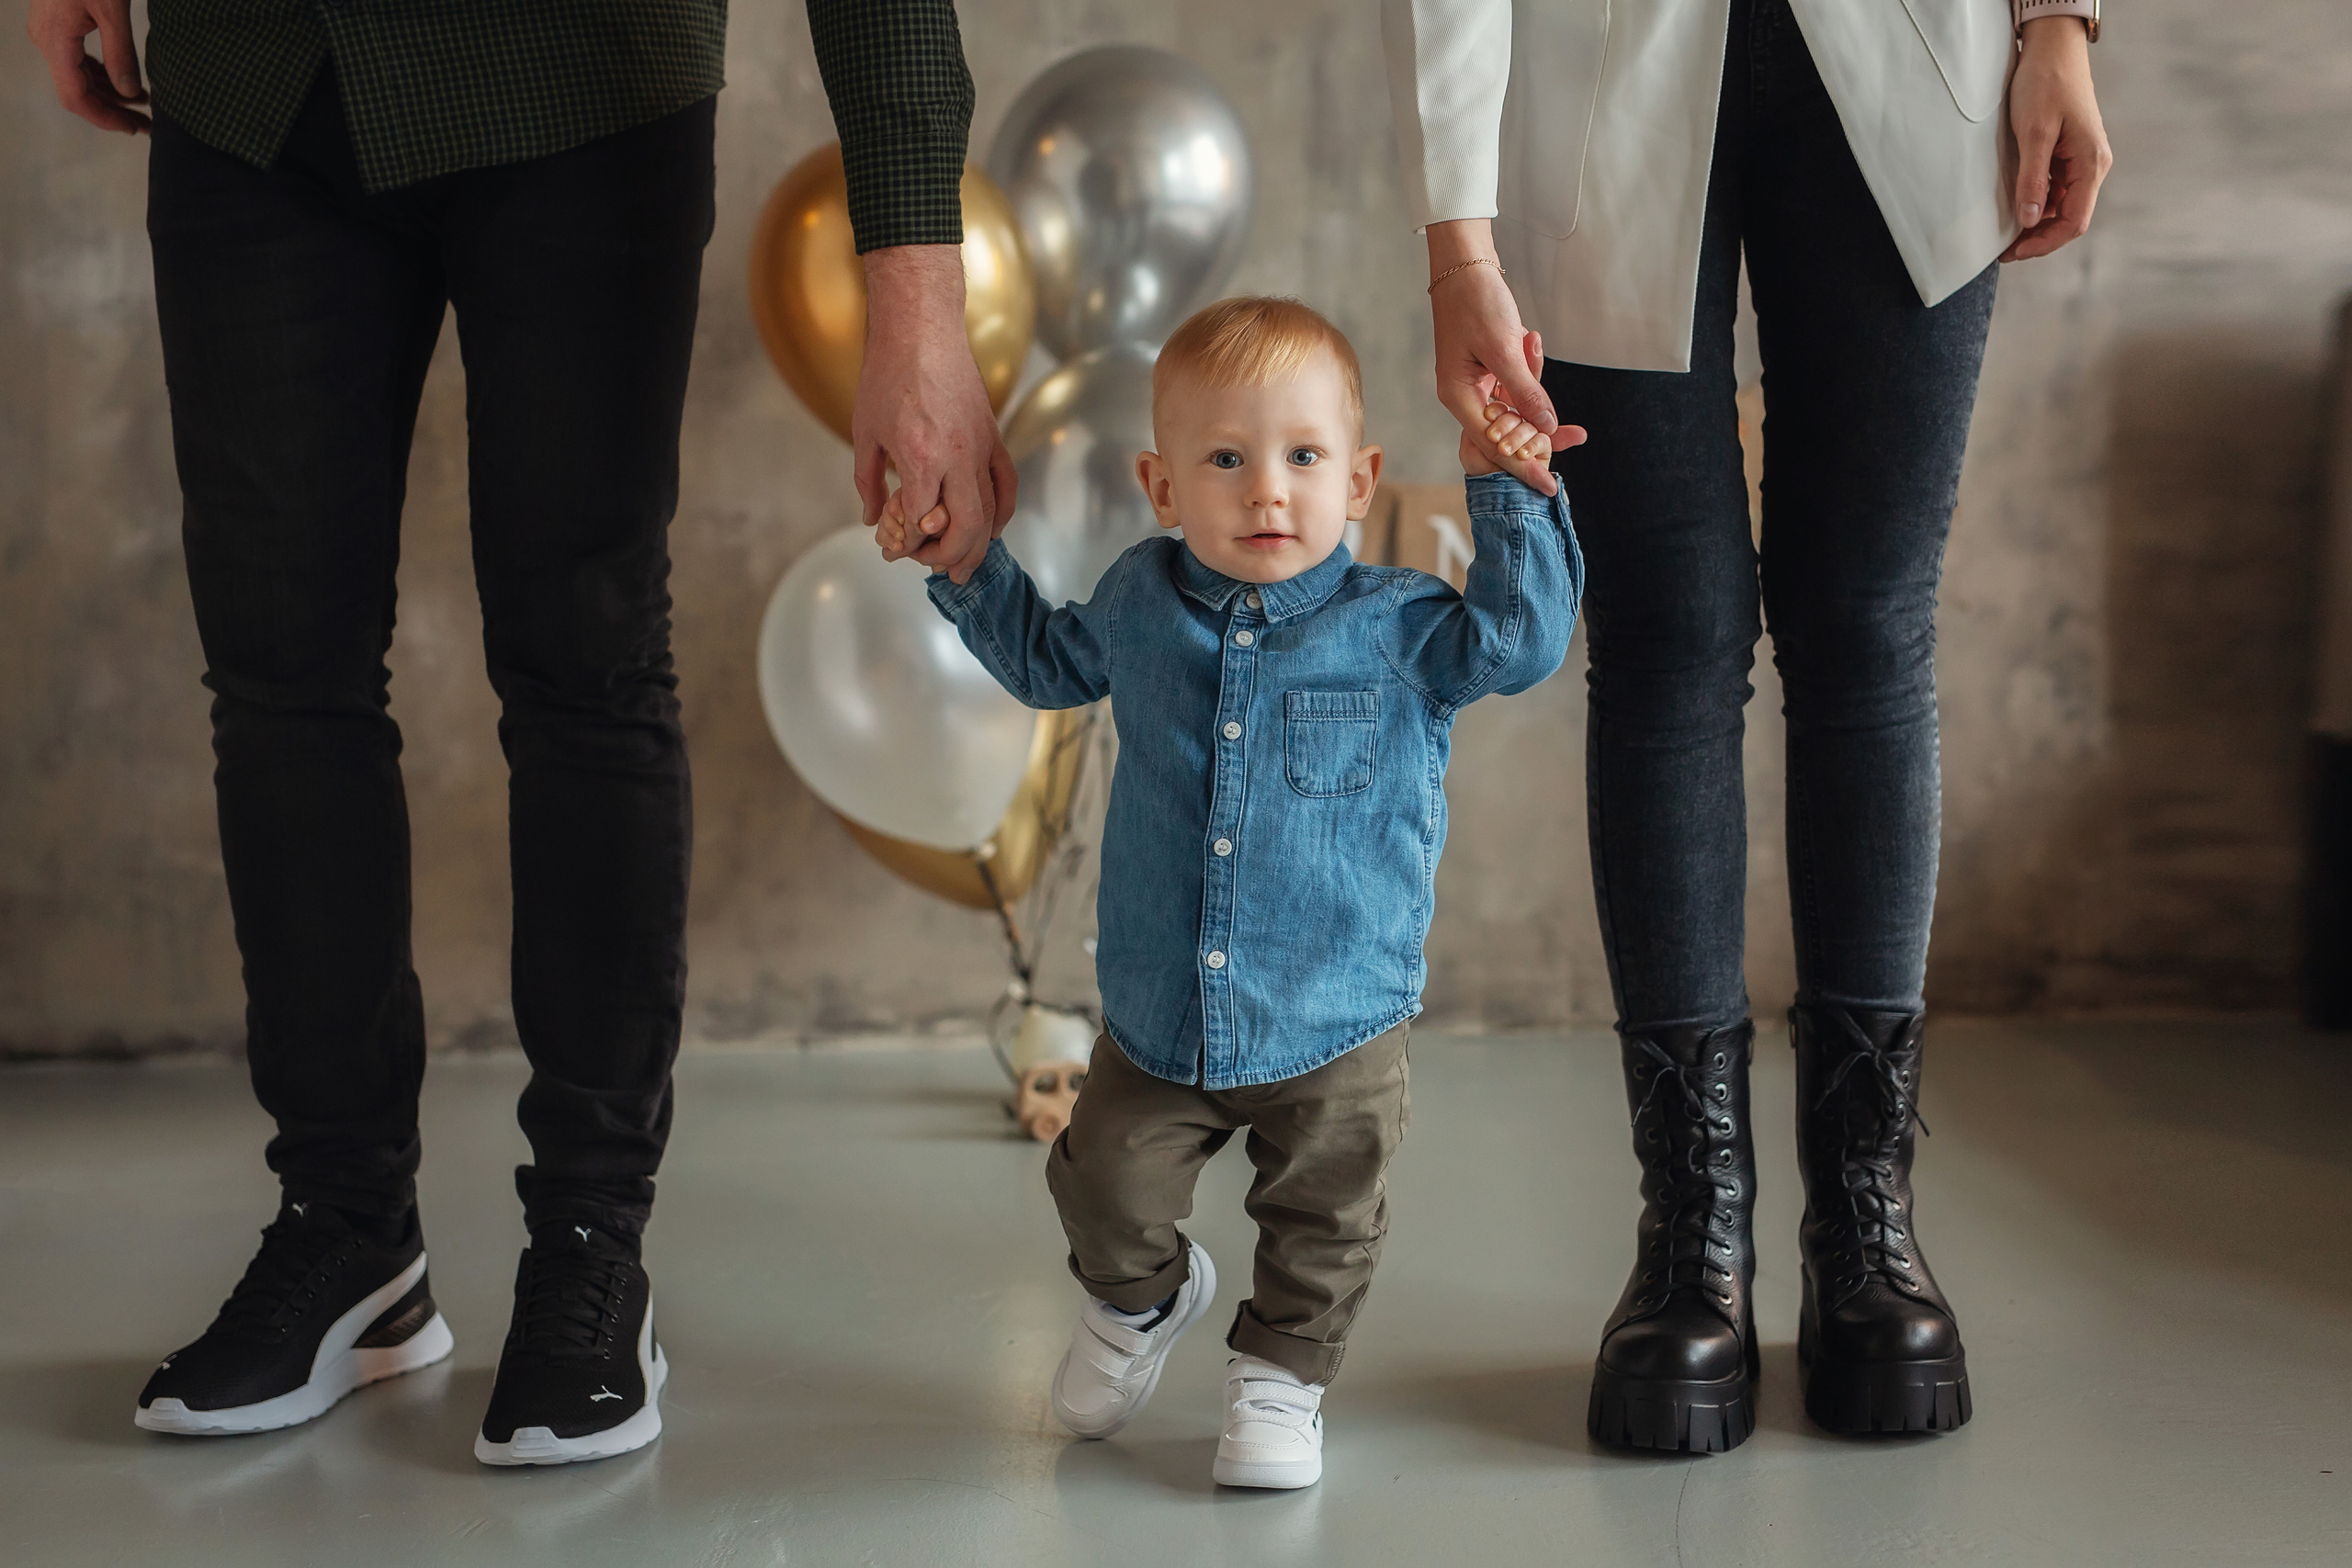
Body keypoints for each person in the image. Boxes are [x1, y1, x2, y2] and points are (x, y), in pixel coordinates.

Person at [25, 0, 1007, 1464]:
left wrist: (917, 289)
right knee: (280, 672)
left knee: (583, 668)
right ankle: (347, 1233)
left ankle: (592, 1243)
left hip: (579, 84)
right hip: (255, 76)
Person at [1385, 0, 2113, 1450]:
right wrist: (1458, 240)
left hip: (1922, 48)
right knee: (1666, 644)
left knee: (1866, 632)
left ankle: (1866, 1224)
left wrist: (2062, 25)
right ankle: (1692, 1235)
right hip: (1600, 75)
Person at [893, 296, 1581, 1489]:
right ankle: (1140, 1301)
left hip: (1336, 1014)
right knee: (1104, 1180)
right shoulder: (1141, 600)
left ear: (1360, 481)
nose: (1267, 491)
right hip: (1162, 1010)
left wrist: (1504, 486)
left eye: (1304, 458)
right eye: (1225, 461)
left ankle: (1280, 1376)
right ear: (1162, 488)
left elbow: (1522, 643)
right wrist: (965, 563)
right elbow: (1048, 663)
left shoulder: (1400, 624)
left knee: (1323, 1219)